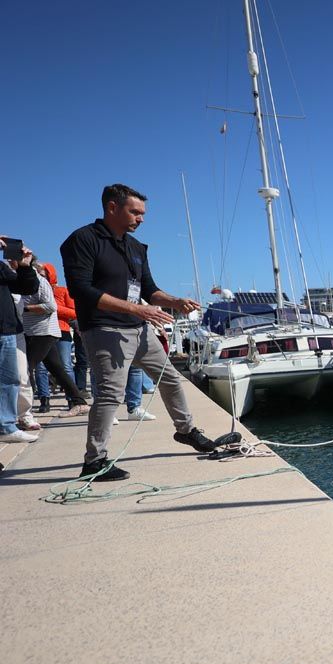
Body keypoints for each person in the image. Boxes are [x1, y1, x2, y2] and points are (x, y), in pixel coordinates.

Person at [61, 184, 216, 481]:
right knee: (109, 394)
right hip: (105, 329)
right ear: (111, 208)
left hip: (139, 329)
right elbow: (81, 289)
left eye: (142, 213)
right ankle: (94, 461)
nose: (141, 219)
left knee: (170, 378)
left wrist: (175, 302)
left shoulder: (135, 248)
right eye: (135, 212)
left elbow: (149, 289)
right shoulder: (82, 240)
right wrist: (137, 310)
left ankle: (186, 431)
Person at [22, 260, 90, 416]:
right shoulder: (24, 283)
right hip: (37, 331)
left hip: (47, 331)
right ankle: (78, 402)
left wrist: (23, 308)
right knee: (56, 369)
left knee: (26, 368)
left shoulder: (44, 284)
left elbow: (63, 310)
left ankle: (23, 413)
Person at [0, 235, 40, 443]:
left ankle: (6, 427)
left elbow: (26, 288)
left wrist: (25, 266)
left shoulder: (1, 267)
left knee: (11, 379)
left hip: (7, 330)